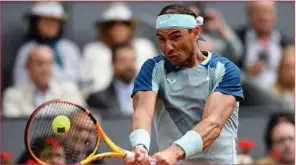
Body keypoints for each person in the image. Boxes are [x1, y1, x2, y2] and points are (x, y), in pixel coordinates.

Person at [126, 4, 244, 164]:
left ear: (195, 32)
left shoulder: (224, 70)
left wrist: (175, 152)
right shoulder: (152, 69)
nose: (168, 47)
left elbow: (213, 123)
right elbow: (143, 112)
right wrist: (140, 146)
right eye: (161, 39)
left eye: (176, 37)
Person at [80, 2, 158, 97]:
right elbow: (85, 87)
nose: (118, 28)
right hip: (101, 106)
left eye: (124, 24)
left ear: (131, 27)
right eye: (112, 24)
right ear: (104, 28)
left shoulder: (144, 47)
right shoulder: (92, 51)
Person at [2, 45, 86, 118]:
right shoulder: (12, 95)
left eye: (49, 63)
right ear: (27, 68)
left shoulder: (70, 91)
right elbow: (12, 127)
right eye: (39, 63)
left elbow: (82, 121)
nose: (45, 69)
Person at [13, 1, 81, 86]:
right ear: (35, 23)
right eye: (46, 20)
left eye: (55, 21)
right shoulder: (27, 50)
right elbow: (20, 83)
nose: (51, 25)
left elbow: (79, 79)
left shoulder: (70, 48)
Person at [87, 42, 138, 117]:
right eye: (123, 61)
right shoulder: (98, 99)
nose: (129, 65)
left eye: (132, 60)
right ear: (113, 64)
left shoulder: (151, 96)